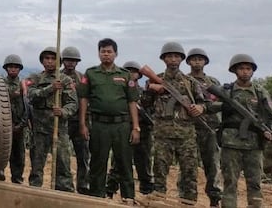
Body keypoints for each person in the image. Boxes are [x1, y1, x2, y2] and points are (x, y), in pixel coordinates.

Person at [78, 38, 140, 203]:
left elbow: (132, 102)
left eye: (109, 51)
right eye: (103, 51)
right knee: (98, 163)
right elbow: (83, 99)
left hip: (122, 125)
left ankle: (128, 198)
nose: (106, 54)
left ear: (116, 54)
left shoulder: (125, 75)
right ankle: (97, 198)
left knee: (125, 163)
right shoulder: (90, 74)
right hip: (99, 125)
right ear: (98, 54)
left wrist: (136, 127)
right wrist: (83, 123)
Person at [145, 42, 206, 205]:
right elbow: (145, 104)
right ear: (164, 59)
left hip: (186, 136)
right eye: (169, 56)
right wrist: (151, 89)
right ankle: (158, 203)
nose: (173, 60)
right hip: (162, 135)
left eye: (176, 56)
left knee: (189, 176)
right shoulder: (156, 79)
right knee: (159, 174)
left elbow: (203, 102)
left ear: (181, 59)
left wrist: (200, 108)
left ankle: (188, 204)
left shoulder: (190, 82)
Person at [219, 54, 272, 208]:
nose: (245, 72)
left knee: (255, 184)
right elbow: (211, 106)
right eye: (241, 68)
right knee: (230, 183)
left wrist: (270, 131)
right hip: (230, 145)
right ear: (234, 71)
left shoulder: (260, 92)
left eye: (248, 69)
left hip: (254, 146)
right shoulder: (226, 91)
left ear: (253, 71)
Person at [26, 47, 77, 191]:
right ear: (42, 61)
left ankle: (65, 195)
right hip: (39, 130)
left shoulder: (65, 80)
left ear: (58, 62)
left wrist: (62, 112)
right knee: (37, 166)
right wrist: (50, 89)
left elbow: (73, 103)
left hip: (59, 129)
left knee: (63, 166)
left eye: (53, 59)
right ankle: (34, 195)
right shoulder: (35, 78)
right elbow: (30, 95)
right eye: (46, 58)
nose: (49, 61)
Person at [105, 61, 154, 197]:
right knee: (117, 163)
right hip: (124, 129)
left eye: (134, 72)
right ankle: (110, 190)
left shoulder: (145, 92)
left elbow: (152, 110)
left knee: (143, 163)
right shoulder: (118, 91)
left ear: (139, 75)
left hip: (143, 131)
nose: (131, 74)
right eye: (128, 71)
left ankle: (146, 192)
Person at [184, 48, 222, 207]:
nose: (197, 62)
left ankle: (214, 198)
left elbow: (223, 103)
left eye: (200, 59)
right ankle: (186, 197)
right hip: (188, 128)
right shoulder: (183, 80)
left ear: (205, 61)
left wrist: (205, 108)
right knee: (187, 165)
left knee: (212, 165)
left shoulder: (213, 82)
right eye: (194, 59)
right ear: (188, 62)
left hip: (210, 128)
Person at [0, 54, 29, 183]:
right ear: (6, 68)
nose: (13, 69)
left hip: (19, 125)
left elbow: (27, 107)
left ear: (20, 69)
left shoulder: (23, 85)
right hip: (3, 124)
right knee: (0, 150)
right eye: (10, 67)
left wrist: (22, 124)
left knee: (19, 155)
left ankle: (17, 178)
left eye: (16, 67)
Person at [61, 46, 90, 194]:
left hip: (79, 121)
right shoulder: (57, 77)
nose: (70, 63)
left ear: (77, 62)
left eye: (73, 60)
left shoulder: (82, 78)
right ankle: (64, 185)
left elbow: (86, 98)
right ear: (63, 61)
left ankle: (83, 185)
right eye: (68, 60)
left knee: (83, 156)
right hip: (63, 122)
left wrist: (84, 122)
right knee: (63, 156)